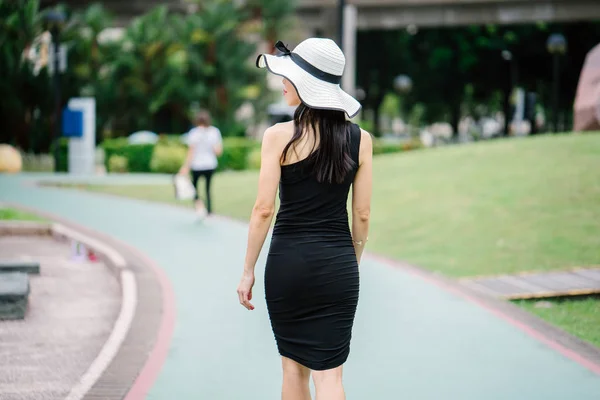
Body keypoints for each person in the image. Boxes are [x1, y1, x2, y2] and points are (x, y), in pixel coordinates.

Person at [237, 38, 373, 400]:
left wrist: (248, 269)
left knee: (293, 369)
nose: (282, 82)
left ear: (305, 85)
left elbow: (263, 209)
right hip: (338, 264)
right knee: (330, 376)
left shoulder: (278, 136)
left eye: (289, 76)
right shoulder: (361, 140)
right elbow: (361, 213)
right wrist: (352, 259)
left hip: (288, 264)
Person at [178, 110, 223, 218]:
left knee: (194, 188)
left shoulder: (194, 133)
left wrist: (185, 167)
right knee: (208, 188)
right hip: (210, 164)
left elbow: (191, 152)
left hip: (197, 165)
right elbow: (218, 152)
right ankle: (209, 210)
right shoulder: (214, 132)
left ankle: (199, 206)